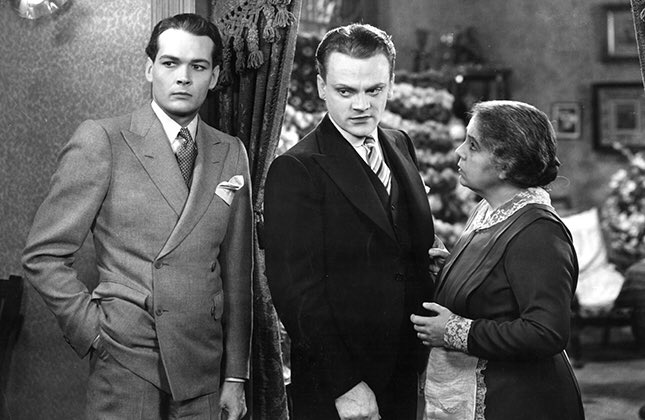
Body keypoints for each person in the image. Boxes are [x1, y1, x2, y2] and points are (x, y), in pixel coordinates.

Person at [22, 13, 252, 420]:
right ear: (150, 69)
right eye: (170, 63)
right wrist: (94, 332)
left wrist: (235, 375)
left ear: (214, 76)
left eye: (198, 66)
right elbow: (43, 256)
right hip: (127, 363)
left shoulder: (231, 151)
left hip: (202, 370)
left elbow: (238, 276)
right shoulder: (104, 139)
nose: (183, 78)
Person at [263, 23, 436, 420]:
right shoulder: (296, 169)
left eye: (374, 90)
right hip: (339, 384)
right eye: (346, 91)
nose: (362, 105)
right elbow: (296, 294)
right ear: (321, 87)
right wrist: (346, 385)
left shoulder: (400, 143)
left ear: (391, 84)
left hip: (403, 368)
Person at [411, 100, 585, 420]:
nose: (459, 152)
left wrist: (454, 331)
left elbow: (547, 331)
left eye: (473, 145)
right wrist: (452, 270)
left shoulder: (539, 231)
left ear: (506, 164)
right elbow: (499, 285)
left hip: (520, 403)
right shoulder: (488, 209)